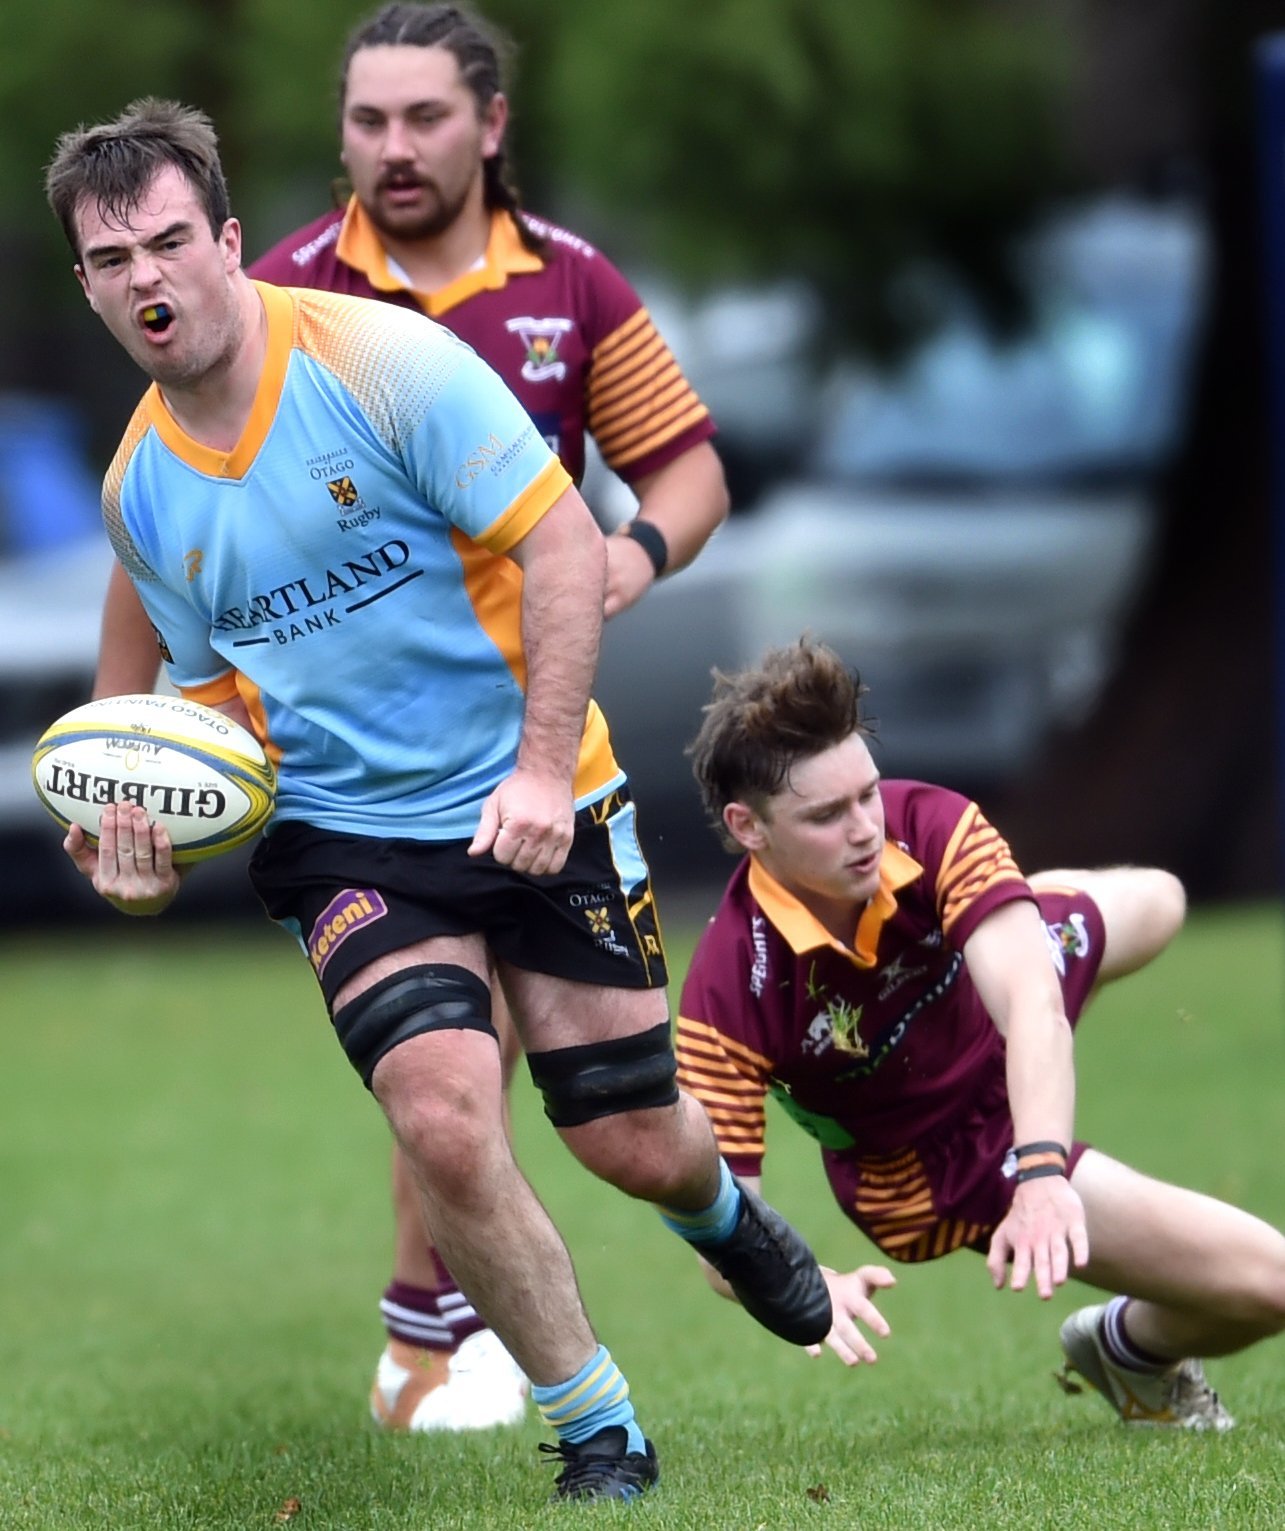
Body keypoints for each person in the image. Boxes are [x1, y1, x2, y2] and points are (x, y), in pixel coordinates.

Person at [44, 99, 827, 1503]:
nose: (150, 278)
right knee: (446, 1111)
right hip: (346, 833)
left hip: (534, 785)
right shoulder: (142, 492)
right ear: (89, 285)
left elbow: (566, 548)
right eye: (115, 261)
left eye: (172, 241)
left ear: (229, 240)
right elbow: (181, 715)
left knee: (626, 1135)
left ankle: (722, 1213)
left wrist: (537, 771)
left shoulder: (383, 362)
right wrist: (137, 856)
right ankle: (600, 1427)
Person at [675, 637, 1285, 1429]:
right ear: (747, 826)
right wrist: (802, 1284)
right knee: (1271, 1283)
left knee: (1160, 902)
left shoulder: (925, 822)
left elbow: (1032, 1006)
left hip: (1002, 1013)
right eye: (826, 815)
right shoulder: (729, 987)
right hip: (944, 1155)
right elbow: (721, 1225)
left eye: (867, 793)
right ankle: (1129, 1348)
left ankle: (1005, 914)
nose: (865, 828)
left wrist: (1044, 1177)